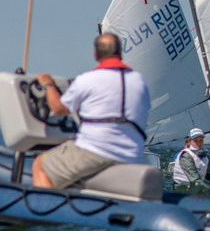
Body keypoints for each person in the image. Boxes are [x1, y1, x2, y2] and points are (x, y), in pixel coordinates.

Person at [32, 33, 150, 189]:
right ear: (120, 53)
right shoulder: (139, 81)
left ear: (96, 54)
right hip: (133, 154)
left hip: (96, 151)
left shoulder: (87, 80)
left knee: (40, 165)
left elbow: (59, 109)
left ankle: (44, 202)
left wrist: (48, 84)